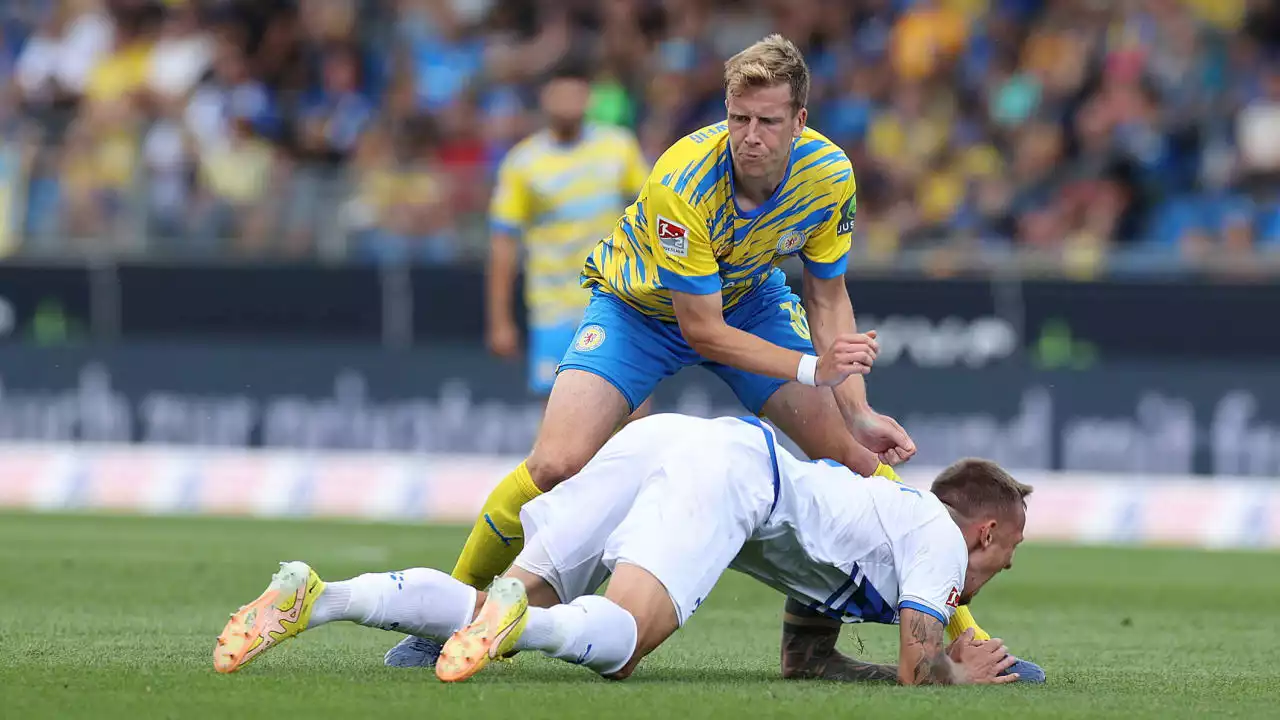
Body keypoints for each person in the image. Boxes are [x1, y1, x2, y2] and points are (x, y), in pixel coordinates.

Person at [441, 33, 998, 662]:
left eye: (767, 121)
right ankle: (453, 613)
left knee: (853, 456)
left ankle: (963, 636)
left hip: (752, 301)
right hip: (640, 311)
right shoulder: (682, 179)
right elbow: (700, 329)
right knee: (556, 464)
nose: (750, 136)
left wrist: (858, 408)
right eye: (738, 118)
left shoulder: (830, 174)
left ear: (800, 121)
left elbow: (827, 298)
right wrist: (813, 369)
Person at [213, 414, 1043, 685]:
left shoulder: (875, 531)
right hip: (730, 468)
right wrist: (960, 676)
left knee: (511, 600)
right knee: (622, 639)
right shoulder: (933, 533)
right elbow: (919, 664)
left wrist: (862, 670)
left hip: (666, 436)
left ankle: (320, 597)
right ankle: (521, 621)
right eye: (1005, 559)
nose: (999, 574)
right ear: (987, 531)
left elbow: (805, 660)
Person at [483, 58, 652, 409]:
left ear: (588, 97)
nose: (569, 102)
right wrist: (499, 320)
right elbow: (503, 244)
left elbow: (653, 214)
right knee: (561, 414)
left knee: (634, 409)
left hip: (616, 301)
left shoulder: (618, 147)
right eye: (560, 93)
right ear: (544, 97)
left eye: (577, 93)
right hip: (553, 308)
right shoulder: (523, 163)